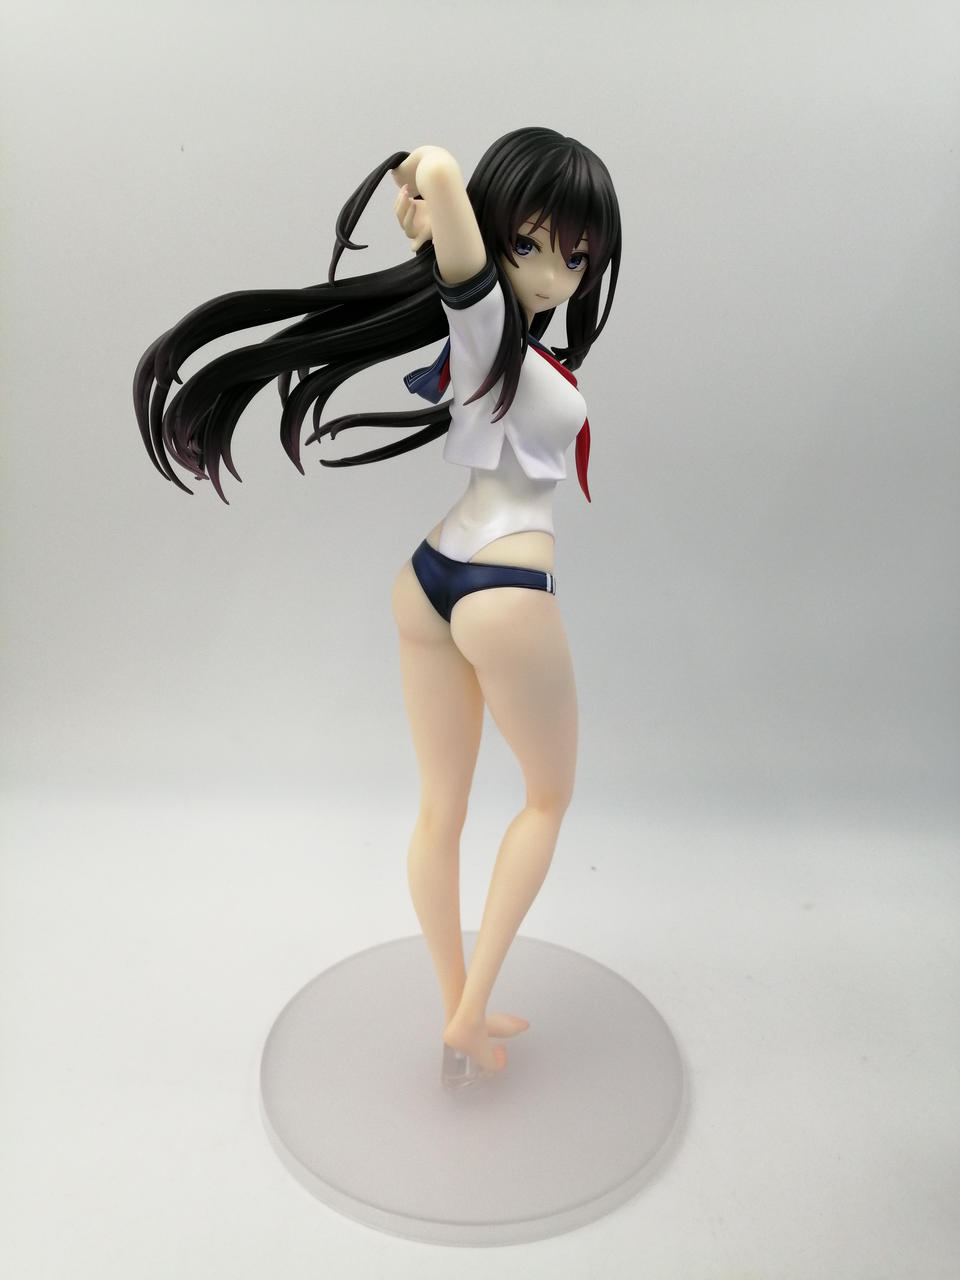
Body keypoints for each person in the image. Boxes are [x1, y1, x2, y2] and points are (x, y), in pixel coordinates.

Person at [133, 128, 622, 1086]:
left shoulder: (499, 336)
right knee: (547, 798)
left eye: (576, 258)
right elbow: (442, 179)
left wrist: (434, 221)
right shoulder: (485, 322)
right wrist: (426, 187)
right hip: (505, 591)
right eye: (528, 245)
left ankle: (458, 1014)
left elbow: (462, 238)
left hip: (432, 578)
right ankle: (468, 1013)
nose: (552, 276)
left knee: (442, 808)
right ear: (492, 234)